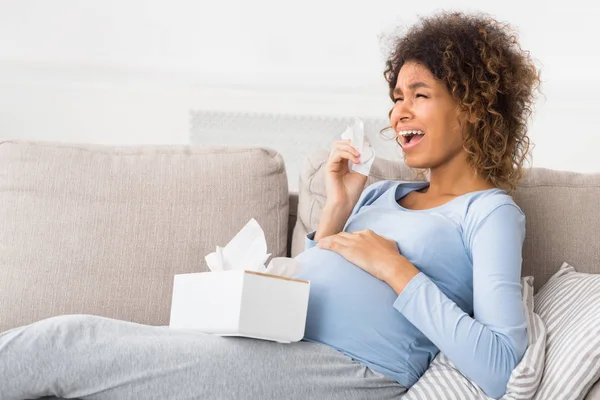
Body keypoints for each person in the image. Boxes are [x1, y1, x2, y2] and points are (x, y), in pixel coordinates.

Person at [0, 11, 540, 400]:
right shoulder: (378, 193)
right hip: (270, 341)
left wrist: (396, 269)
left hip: (345, 370)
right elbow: (311, 276)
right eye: (396, 97)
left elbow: (499, 366)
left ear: (472, 107)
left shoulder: (488, 213)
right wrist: (337, 208)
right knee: (81, 340)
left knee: (68, 343)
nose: (399, 112)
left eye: (420, 95)